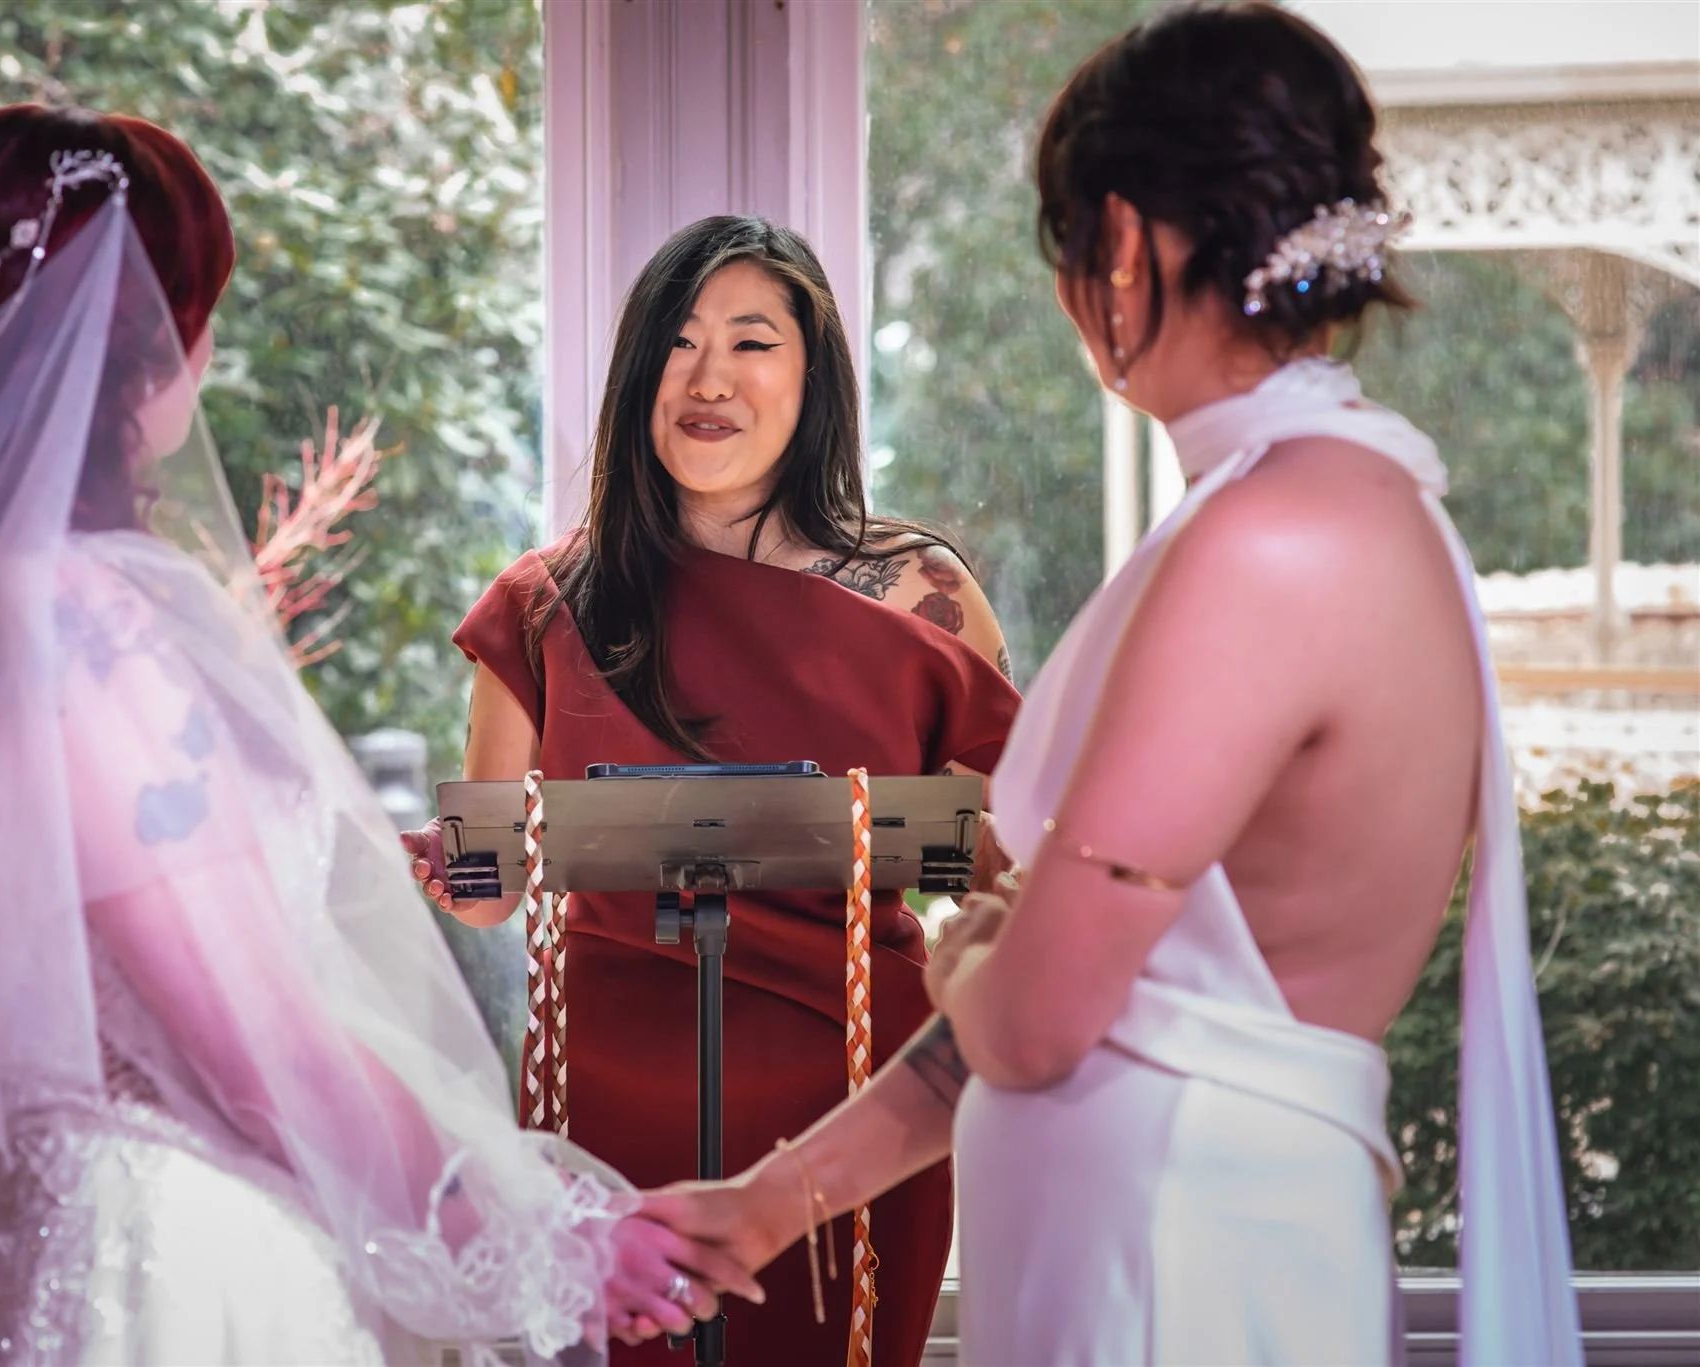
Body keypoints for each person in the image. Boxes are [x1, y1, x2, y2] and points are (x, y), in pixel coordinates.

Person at [0, 105, 761, 1365]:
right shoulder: (65, 620)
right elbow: (257, 1050)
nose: (204, 352)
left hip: (17, 1240)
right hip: (165, 1266)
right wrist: (534, 1234)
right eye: (190, 310)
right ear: (128, 338)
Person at [639, 6, 1582, 1364]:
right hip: (1187, 1228)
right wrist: (772, 1201)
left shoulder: (1271, 542)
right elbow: (1089, 1000)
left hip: (1172, 1256)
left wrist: (965, 942)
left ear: (1125, 247)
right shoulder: (1348, 503)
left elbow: (1031, 1015)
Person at [403, 216, 1021, 1363]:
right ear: (639, 376)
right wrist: (428, 862)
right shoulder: (545, 602)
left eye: (750, 342)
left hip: (854, 1113)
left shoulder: (923, 592)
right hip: (604, 1113)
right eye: (679, 344)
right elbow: (489, 886)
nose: (709, 379)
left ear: (813, 372)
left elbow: (995, 865)